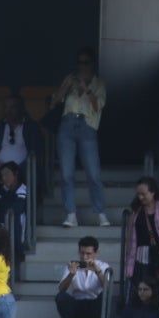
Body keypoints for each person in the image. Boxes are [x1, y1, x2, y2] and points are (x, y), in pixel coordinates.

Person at [54, 48, 109, 228]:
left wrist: (85, 87)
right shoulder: (70, 80)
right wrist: (66, 86)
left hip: (87, 125)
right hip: (67, 124)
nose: (81, 66)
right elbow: (55, 101)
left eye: (85, 62)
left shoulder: (98, 83)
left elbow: (97, 105)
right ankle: (71, 214)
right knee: (66, 173)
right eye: (79, 62)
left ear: (92, 64)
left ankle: (100, 213)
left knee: (93, 172)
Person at [55, 236, 110, 318]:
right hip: (78, 304)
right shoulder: (73, 265)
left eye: (88, 254)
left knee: (104, 297)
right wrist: (71, 275)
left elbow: (108, 288)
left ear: (96, 253)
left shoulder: (103, 266)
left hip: (95, 305)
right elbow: (61, 289)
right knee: (61, 297)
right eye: (82, 253)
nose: (84, 257)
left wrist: (97, 271)